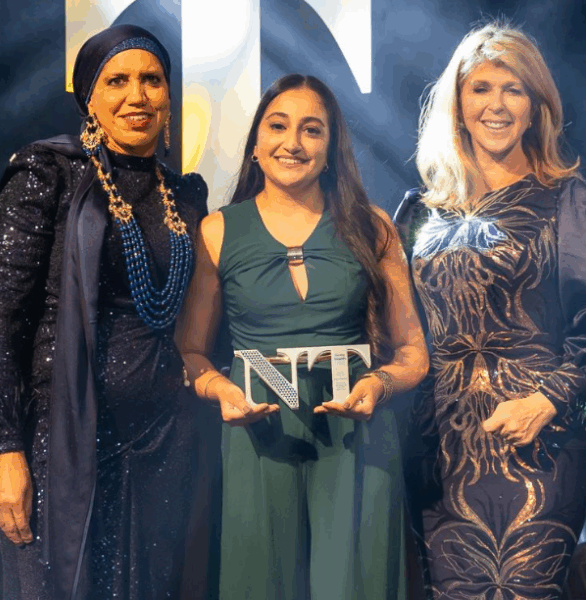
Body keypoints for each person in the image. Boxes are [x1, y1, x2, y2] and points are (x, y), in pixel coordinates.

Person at [0, 24, 207, 599]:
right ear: (89, 96)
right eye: (117, 80)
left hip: (162, 444)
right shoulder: (48, 174)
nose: (136, 96)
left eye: (151, 80)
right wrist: (4, 448)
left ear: (169, 95)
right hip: (60, 440)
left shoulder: (186, 196)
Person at [394, 22, 586, 600]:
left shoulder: (568, 200)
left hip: (538, 445)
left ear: (536, 108)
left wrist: (546, 400)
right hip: (437, 450)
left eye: (514, 90)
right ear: (457, 104)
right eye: (481, 88)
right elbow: (392, 326)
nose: (497, 104)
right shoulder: (418, 213)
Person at [175, 73, 429, 600]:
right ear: (255, 144)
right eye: (278, 126)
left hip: (356, 431)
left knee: (356, 587)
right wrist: (220, 390)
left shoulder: (374, 227)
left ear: (331, 149)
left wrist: (379, 385)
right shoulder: (217, 230)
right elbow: (191, 351)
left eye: (312, 129)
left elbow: (413, 354)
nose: (292, 142)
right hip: (258, 431)